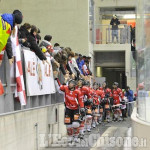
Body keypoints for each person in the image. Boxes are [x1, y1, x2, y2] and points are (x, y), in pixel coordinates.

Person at [60, 78, 85, 144]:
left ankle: (76, 137)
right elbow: (60, 87)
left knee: (75, 124)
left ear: (74, 85)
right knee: (68, 125)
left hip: (76, 109)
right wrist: (64, 80)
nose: (69, 84)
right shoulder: (66, 88)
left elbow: (80, 100)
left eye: (71, 83)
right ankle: (70, 137)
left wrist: (82, 107)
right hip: (68, 109)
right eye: (69, 83)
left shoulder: (78, 92)